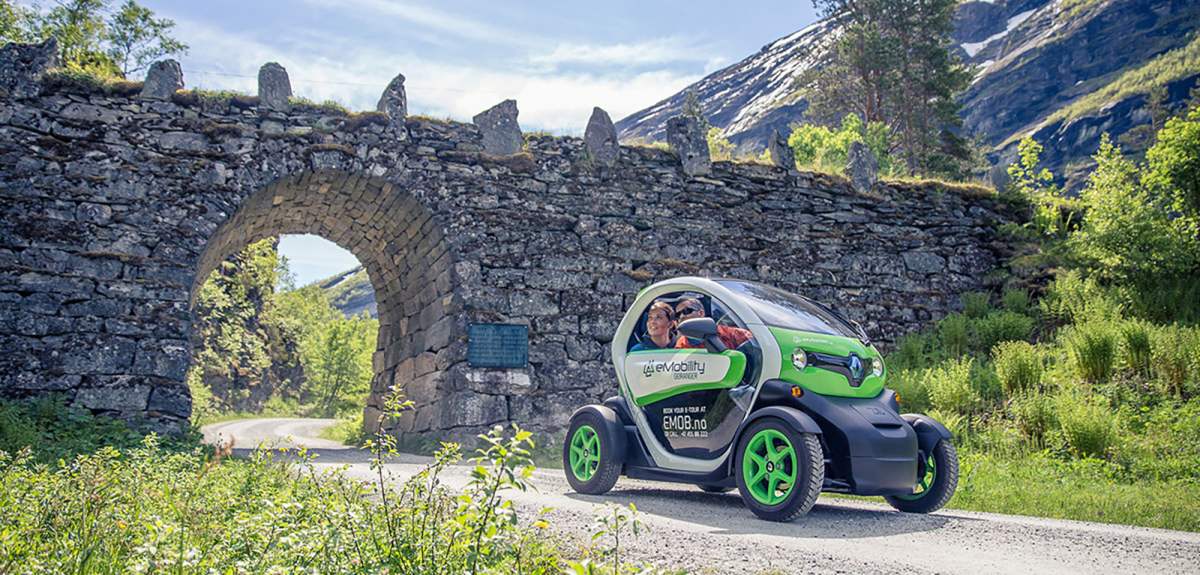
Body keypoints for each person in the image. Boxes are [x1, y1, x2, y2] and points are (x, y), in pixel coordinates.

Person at [674, 297, 753, 350]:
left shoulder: (733, 334)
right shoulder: (682, 344)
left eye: (686, 311)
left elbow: (756, 346)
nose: (681, 316)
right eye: (677, 315)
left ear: (701, 313)